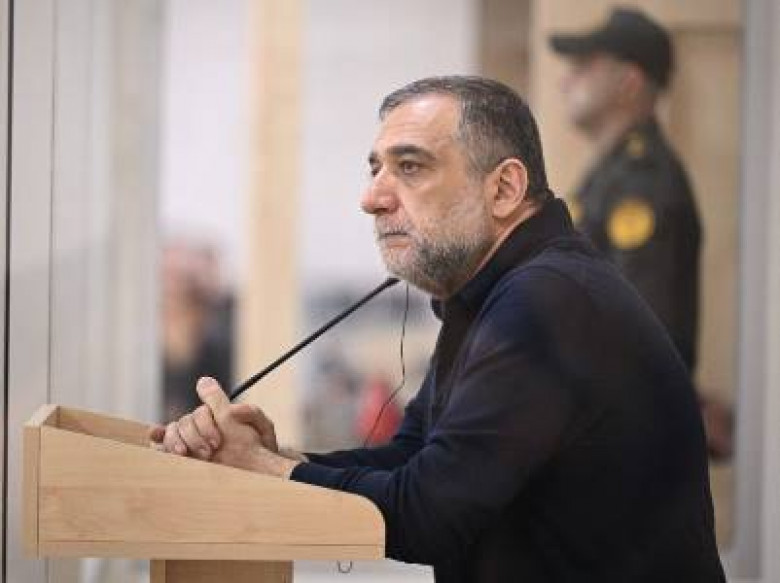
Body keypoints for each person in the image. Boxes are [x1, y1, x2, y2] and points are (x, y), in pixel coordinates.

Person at [150, 76, 725, 582]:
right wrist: (274, 455)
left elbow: (426, 514)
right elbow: (412, 458)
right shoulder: (494, 292)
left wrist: (264, 470)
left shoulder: (545, 301)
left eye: (410, 167)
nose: (372, 198)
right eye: (375, 169)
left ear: (504, 189)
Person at [549, 7, 732, 458]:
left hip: (619, 434)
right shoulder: (610, 176)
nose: (565, 81)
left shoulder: (642, 182)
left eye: (584, 66)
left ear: (629, 82)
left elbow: (641, 327)